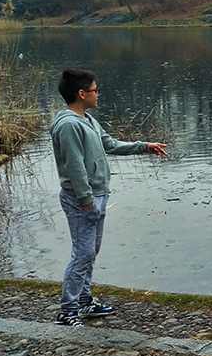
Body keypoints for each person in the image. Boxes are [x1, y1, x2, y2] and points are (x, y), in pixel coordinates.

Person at [50, 68, 168, 327]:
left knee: (90, 252)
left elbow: (110, 144)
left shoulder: (87, 120)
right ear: (82, 94)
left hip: (97, 195)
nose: (98, 94)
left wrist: (144, 146)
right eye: (95, 90)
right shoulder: (69, 125)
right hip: (83, 199)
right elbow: (75, 167)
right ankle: (67, 310)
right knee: (82, 254)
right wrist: (86, 200)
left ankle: (84, 301)